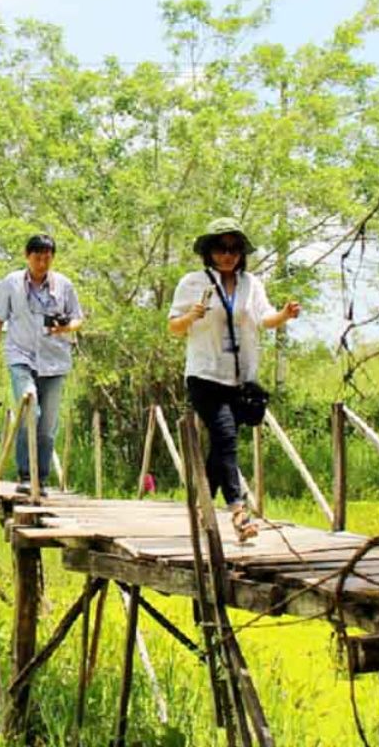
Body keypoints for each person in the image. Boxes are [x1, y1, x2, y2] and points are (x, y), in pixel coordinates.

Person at [167, 217, 301, 541]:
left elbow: (264, 318)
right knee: (226, 437)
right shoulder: (193, 282)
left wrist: (284, 315)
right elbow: (174, 327)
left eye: (233, 249)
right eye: (220, 248)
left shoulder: (251, 284)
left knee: (221, 445)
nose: (227, 255)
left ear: (241, 253)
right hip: (204, 375)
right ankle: (239, 513)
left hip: (240, 379)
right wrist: (191, 315)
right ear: (209, 252)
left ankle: (203, 508)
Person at [0, 234, 83, 497]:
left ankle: (42, 478)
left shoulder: (64, 285)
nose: (42, 263)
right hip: (21, 356)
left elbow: (78, 319)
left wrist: (65, 327)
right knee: (30, 410)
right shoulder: (11, 283)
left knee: (48, 424)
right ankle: (26, 474)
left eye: (47, 257)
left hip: (55, 360)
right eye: (37, 257)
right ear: (27, 256)